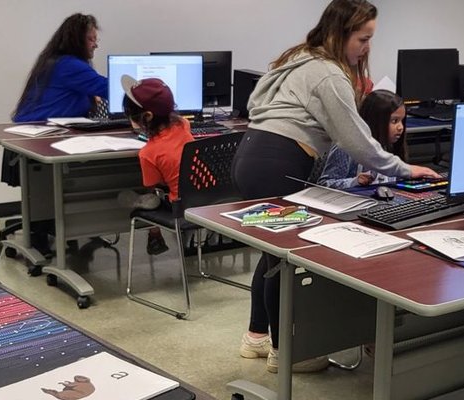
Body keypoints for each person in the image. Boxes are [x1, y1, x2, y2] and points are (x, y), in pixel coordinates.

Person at [233, 0, 440, 374]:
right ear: (339, 33)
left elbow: (255, 100)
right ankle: (287, 353)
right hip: (279, 161)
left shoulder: (300, 57)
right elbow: (356, 140)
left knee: (271, 257)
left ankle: (256, 338)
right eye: (363, 38)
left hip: (254, 153)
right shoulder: (328, 73)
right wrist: (403, 168)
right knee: (285, 261)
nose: (367, 48)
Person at [3, 13, 107, 255]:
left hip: (39, 135)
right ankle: (43, 229)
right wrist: (150, 93)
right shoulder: (69, 65)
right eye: (91, 39)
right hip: (38, 141)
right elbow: (105, 87)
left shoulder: (56, 61)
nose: (95, 44)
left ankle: (56, 225)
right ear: (77, 40)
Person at [116, 76, 194, 255]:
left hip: (179, 208)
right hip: (204, 201)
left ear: (147, 116)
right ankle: (154, 231)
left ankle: (143, 206)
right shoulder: (183, 124)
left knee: (152, 194)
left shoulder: (148, 153)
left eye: (131, 114)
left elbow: (154, 183)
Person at [317, 89, 407, 188]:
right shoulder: (347, 145)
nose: (400, 127)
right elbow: (324, 184)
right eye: (394, 121)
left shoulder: (390, 146)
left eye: (402, 121)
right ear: (376, 121)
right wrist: (354, 182)